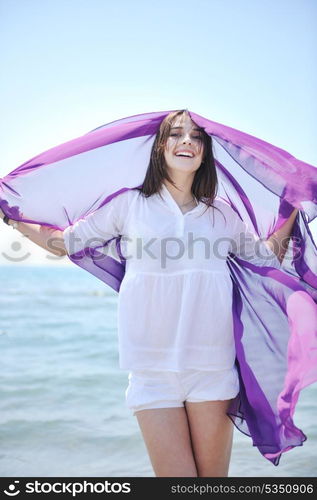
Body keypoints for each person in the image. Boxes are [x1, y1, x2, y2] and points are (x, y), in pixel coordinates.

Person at [0, 110, 303, 477]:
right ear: (160, 147)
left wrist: (293, 205)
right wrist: (15, 220)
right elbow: (65, 242)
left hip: (212, 366)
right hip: (150, 369)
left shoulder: (221, 215)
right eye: (176, 134)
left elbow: (266, 256)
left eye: (196, 137)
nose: (186, 141)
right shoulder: (129, 205)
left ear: (205, 152)